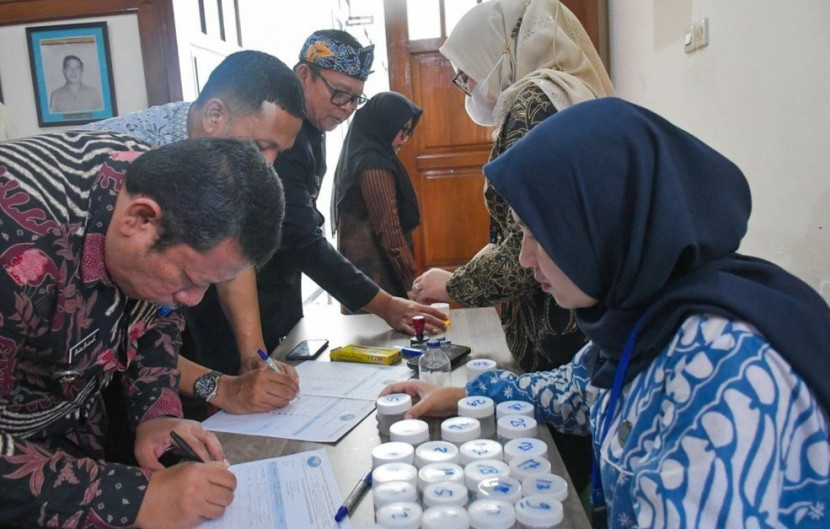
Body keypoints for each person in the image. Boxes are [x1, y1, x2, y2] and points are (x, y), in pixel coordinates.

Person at [382, 98, 830, 529]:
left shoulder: (723, 374)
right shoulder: (646, 314)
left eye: (540, 235)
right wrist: (467, 395)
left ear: (603, 225)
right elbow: (580, 389)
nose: (524, 258)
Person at [0, 131, 286, 528]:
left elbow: (157, 313)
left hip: (71, 435)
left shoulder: (161, 184)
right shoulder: (15, 237)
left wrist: (157, 413)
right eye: (188, 276)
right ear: (140, 219)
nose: (193, 299)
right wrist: (134, 498)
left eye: (208, 283)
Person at [412, 0, 614, 491]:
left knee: (558, 470)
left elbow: (530, 252)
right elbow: (572, 392)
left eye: (465, 74)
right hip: (571, 341)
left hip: (555, 328)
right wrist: (468, 395)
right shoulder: (570, 90)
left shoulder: (532, 103)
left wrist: (456, 282)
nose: (465, 87)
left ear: (499, 52)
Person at [86, 50, 304, 415]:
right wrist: (221, 389)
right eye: (260, 146)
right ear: (215, 116)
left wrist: (254, 354)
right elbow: (118, 332)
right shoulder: (126, 166)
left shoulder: (216, 144)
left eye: (278, 151)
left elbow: (231, 251)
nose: (268, 163)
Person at [257, 29, 446, 351]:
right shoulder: (279, 135)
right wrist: (387, 304)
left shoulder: (314, 129)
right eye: (339, 93)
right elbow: (300, 236)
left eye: (356, 98)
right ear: (304, 74)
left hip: (282, 280)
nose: (347, 108)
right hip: (249, 283)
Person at [331, 91, 423, 299]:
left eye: (409, 131)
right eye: (401, 130)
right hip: (377, 277)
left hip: (367, 275)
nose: (404, 139)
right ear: (385, 123)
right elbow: (389, 231)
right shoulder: (373, 163)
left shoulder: (363, 154)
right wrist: (411, 283)